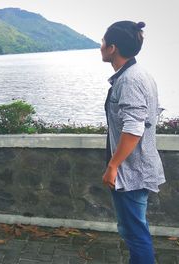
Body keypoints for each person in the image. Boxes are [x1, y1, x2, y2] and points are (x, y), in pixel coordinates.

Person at [101, 21, 166, 263]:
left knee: (134, 232)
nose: (101, 46)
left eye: (103, 42)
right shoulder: (139, 75)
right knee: (134, 228)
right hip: (138, 167)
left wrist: (113, 165)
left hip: (131, 171)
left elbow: (135, 127)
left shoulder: (129, 80)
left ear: (113, 48)